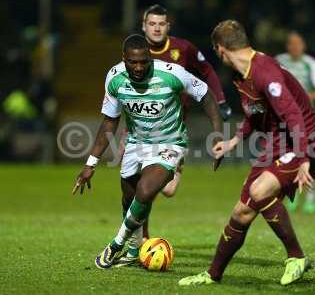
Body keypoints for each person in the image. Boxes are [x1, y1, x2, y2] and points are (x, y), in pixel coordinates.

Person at [178, 20, 315, 286]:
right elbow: (254, 114)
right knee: (241, 213)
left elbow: (294, 116)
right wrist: (234, 140)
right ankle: (213, 275)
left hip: (306, 141)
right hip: (278, 144)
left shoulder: (265, 72)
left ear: (220, 49)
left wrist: (304, 158)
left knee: (259, 192)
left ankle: (297, 257)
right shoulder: (241, 75)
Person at [72, 34, 223, 269]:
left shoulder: (172, 73)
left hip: (170, 143)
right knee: (129, 198)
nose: (139, 67)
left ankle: (115, 245)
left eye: (144, 61)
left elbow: (206, 95)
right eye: (134, 62)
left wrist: (218, 136)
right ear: (124, 59)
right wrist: (90, 164)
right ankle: (133, 251)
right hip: (136, 144)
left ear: (150, 57)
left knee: (145, 191)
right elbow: (109, 122)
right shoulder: (114, 78)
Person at [122, 4, 231, 240]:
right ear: (143, 26)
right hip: (140, 130)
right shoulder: (135, 53)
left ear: (168, 26)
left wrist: (220, 101)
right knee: (142, 188)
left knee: (168, 190)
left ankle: (170, 170)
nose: (157, 28)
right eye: (152, 23)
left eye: (161, 24)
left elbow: (207, 71)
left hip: (173, 130)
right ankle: (143, 239)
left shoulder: (183, 49)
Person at [276, 31, 315, 214]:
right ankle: (292, 194)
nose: (295, 46)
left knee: (310, 154)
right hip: (286, 117)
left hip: (306, 117)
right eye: (291, 43)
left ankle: (310, 198)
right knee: (289, 155)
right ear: (287, 46)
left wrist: (304, 97)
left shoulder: (310, 64)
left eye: (298, 43)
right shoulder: (280, 61)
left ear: (303, 45)